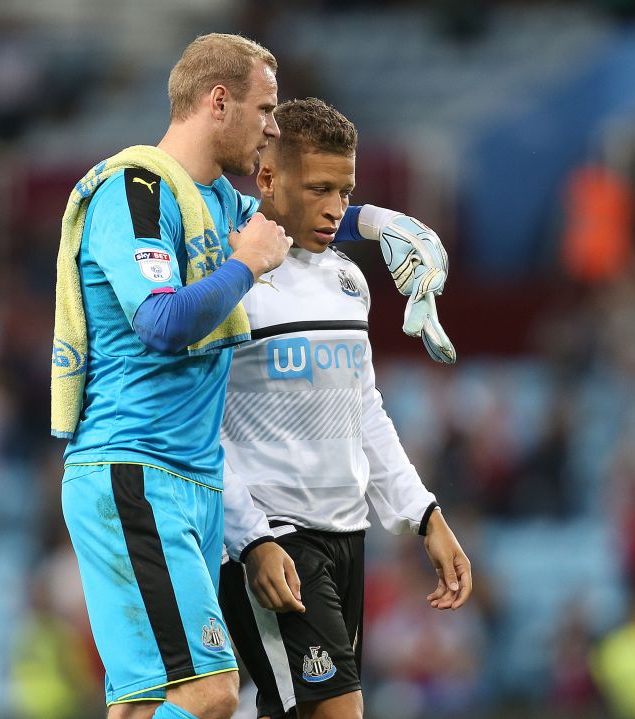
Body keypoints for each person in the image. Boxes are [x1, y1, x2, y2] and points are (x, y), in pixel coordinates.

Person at [52, 35, 455, 719]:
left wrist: (388, 225)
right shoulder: (137, 189)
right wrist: (245, 268)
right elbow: (159, 321)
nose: (273, 127)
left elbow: (299, 218)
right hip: (136, 468)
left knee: (146, 705)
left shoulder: (211, 200)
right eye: (265, 109)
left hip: (187, 478)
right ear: (218, 101)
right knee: (211, 693)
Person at [217, 98, 472, 719]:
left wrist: (424, 514)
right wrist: (250, 539)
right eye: (320, 188)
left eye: (345, 190)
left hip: (345, 534)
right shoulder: (231, 278)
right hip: (276, 535)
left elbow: (365, 410)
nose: (335, 208)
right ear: (270, 179)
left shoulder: (347, 281)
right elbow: (199, 423)